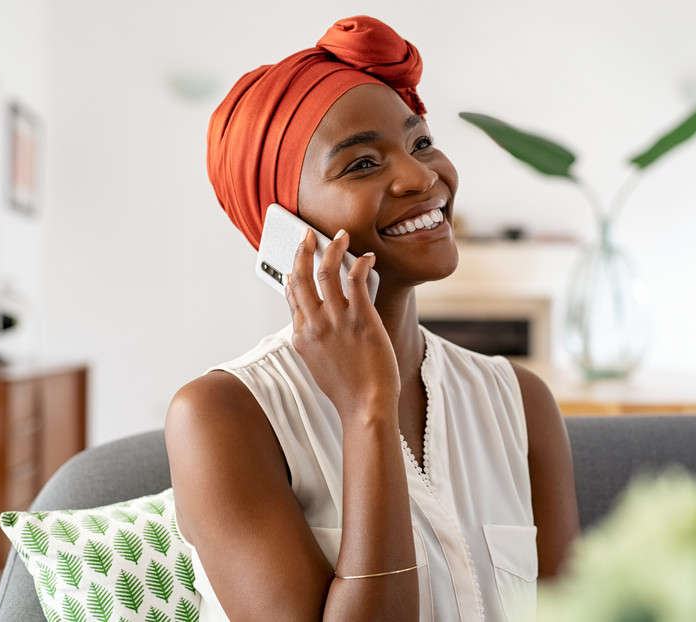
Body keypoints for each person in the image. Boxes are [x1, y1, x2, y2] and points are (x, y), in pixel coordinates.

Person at [165, 15, 580, 622]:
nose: (422, 177)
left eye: (420, 143)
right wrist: (366, 408)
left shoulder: (520, 402)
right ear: (284, 231)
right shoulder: (220, 416)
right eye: (361, 164)